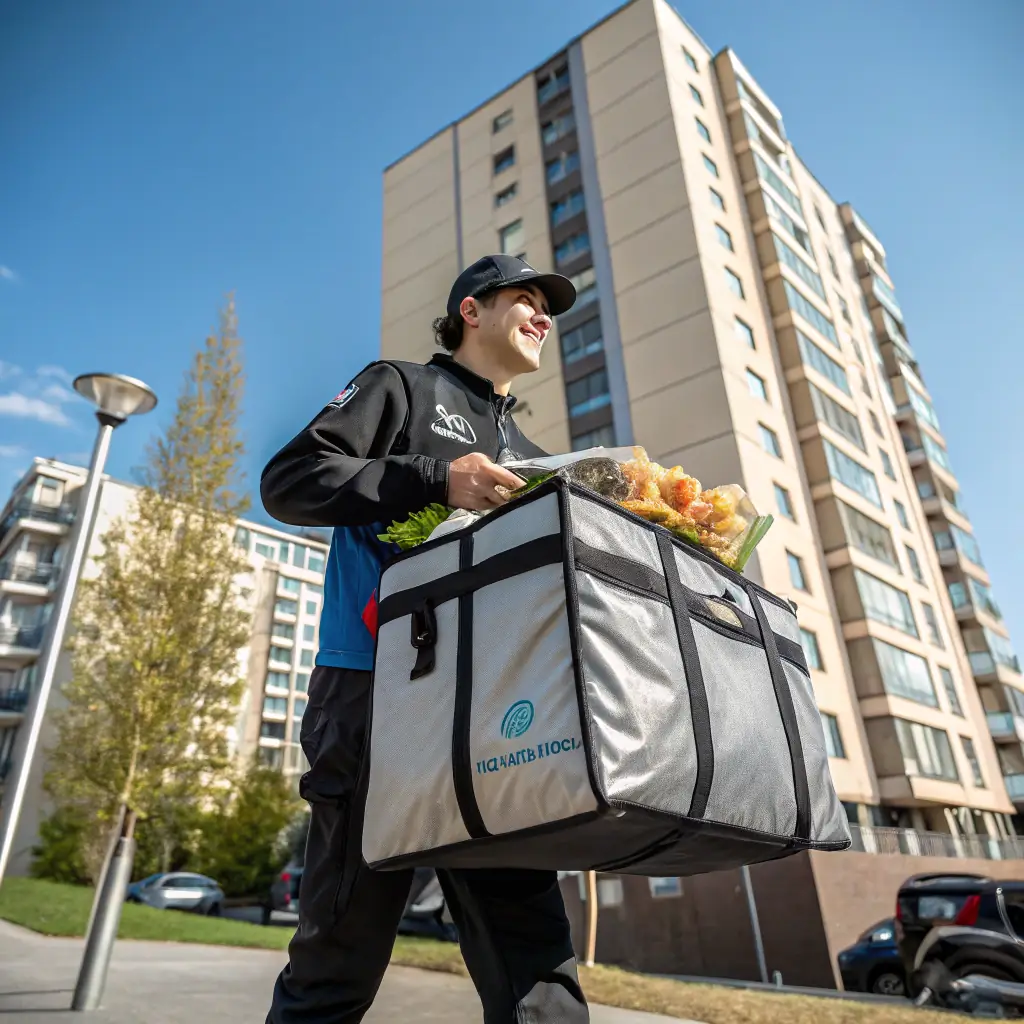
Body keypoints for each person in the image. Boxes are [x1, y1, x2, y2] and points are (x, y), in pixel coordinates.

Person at [261, 254, 590, 1023]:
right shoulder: (401, 386)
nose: (543, 316)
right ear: (471, 310)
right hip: (377, 694)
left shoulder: (534, 456)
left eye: (549, 308)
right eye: (526, 300)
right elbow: (291, 480)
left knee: (539, 976)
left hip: (498, 718)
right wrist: (436, 479)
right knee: (336, 968)